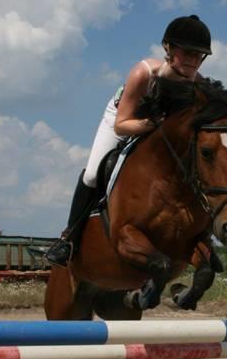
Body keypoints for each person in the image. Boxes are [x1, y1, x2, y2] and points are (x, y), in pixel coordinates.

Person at [45, 14, 213, 265]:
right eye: (186, 52)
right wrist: (154, 125)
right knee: (92, 174)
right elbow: (122, 125)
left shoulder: (199, 86)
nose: (192, 60)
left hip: (159, 131)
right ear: (168, 48)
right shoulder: (144, 73)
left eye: (199, 55)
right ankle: (68, 240)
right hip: (125, 120)